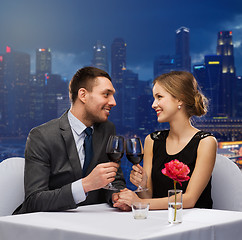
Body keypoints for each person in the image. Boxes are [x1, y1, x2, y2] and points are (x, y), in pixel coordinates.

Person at [13, 66, 128, 214]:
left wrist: (117, 196)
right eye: (106, 94)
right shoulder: (41, 136)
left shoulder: (107, 129)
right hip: (47, 227)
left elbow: (114, 180)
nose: (113, 102)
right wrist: (85, 185)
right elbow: (34, 200)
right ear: (83, 95)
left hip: (94, 223)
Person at [114, 71, 217, 210]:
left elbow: (189, 200)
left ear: (180, 99)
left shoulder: (206, 142)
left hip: (195, 223)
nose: (153, 104)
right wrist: (143, 186)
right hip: (160, 221)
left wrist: (138, 202)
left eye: (159, 97)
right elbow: (149, 197)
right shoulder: (152, 140)